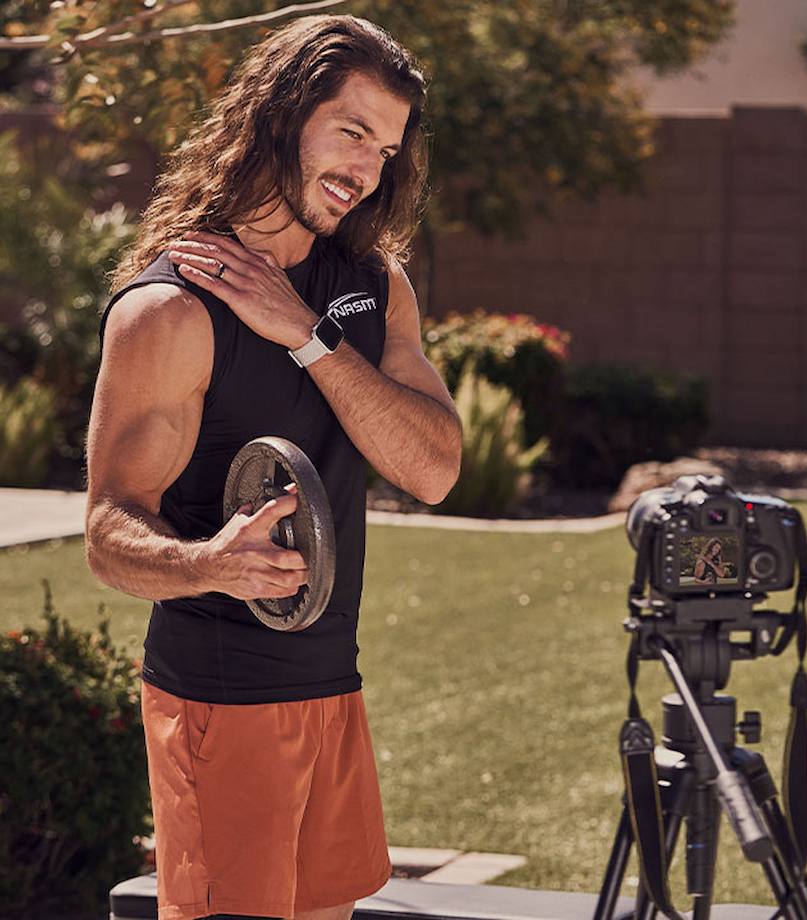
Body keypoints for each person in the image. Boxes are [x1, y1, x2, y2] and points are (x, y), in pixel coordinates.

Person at [84, 15, 461, 920]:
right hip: (222, 700)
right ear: (283, 115)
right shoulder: (171, 312)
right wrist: (207, 563)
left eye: (386, 147)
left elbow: (435, 468)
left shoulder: (374, 287)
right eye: (352, 131)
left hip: (334, 684)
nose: (369, 167)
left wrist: (303, 332)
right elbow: (107, 532)